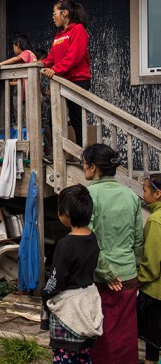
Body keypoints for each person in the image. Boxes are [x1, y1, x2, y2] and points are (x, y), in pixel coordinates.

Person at [81, 143, 143, 364]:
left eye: (84, 163)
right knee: (126, 334)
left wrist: (106, 272)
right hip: (127, 274)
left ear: (94, 167)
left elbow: (87, 238)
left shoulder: (88, 195)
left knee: (102, 333)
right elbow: (138, 241)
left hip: (101, 277)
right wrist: (131, 267)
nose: (83, 167)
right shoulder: (131, 195)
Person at [40, 184, 102, 364]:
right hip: (87, 304)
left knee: (64, 358)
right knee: (83, 357)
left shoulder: (65, 244)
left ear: (66, 214)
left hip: (68, 311)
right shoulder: (92, 238)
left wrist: (45, 295)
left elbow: (56, 280)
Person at [41, 0, 91, 147]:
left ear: (65, 13)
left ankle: (84, 154)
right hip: (62, 81)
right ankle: (60, 152)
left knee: (77, 119)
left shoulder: (78, 30)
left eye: (54, 13)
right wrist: (38, 65)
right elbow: (51, 57)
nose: (53, 17)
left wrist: (54, 69)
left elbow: (73, 57)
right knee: (56, 118)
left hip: (78, 81)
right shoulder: (58, 36)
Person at [138, 173, 161, 364]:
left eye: (145, 190)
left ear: (157, 194)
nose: (143, 194)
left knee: (152, 342)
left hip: (155, 291)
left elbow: (152, 263)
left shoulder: (155, 220)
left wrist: (139, 279)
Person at [0, 33, 37, 127]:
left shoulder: (27, 52)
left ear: (18, 45)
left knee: (23, 118)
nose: (13, 49)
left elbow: (16, 59)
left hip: (27, 93)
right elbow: (19, 80)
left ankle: (23, 133)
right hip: (30, 93)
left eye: (14, 47)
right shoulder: (30, 56)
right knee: (29, 118)